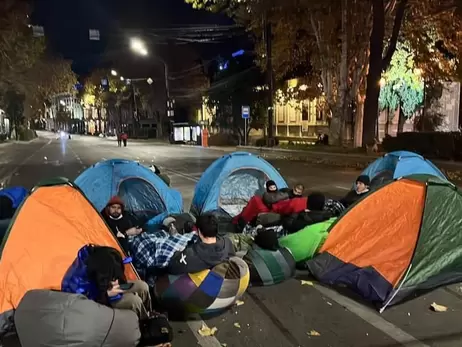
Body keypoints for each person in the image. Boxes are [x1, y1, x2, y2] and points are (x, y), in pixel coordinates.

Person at [168, 214, 235, 275]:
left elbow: (172, 268)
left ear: (199, 232)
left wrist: (178, 252)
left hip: (197, 284)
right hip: (218, 280)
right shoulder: (227, 243)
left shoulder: (190, 254)